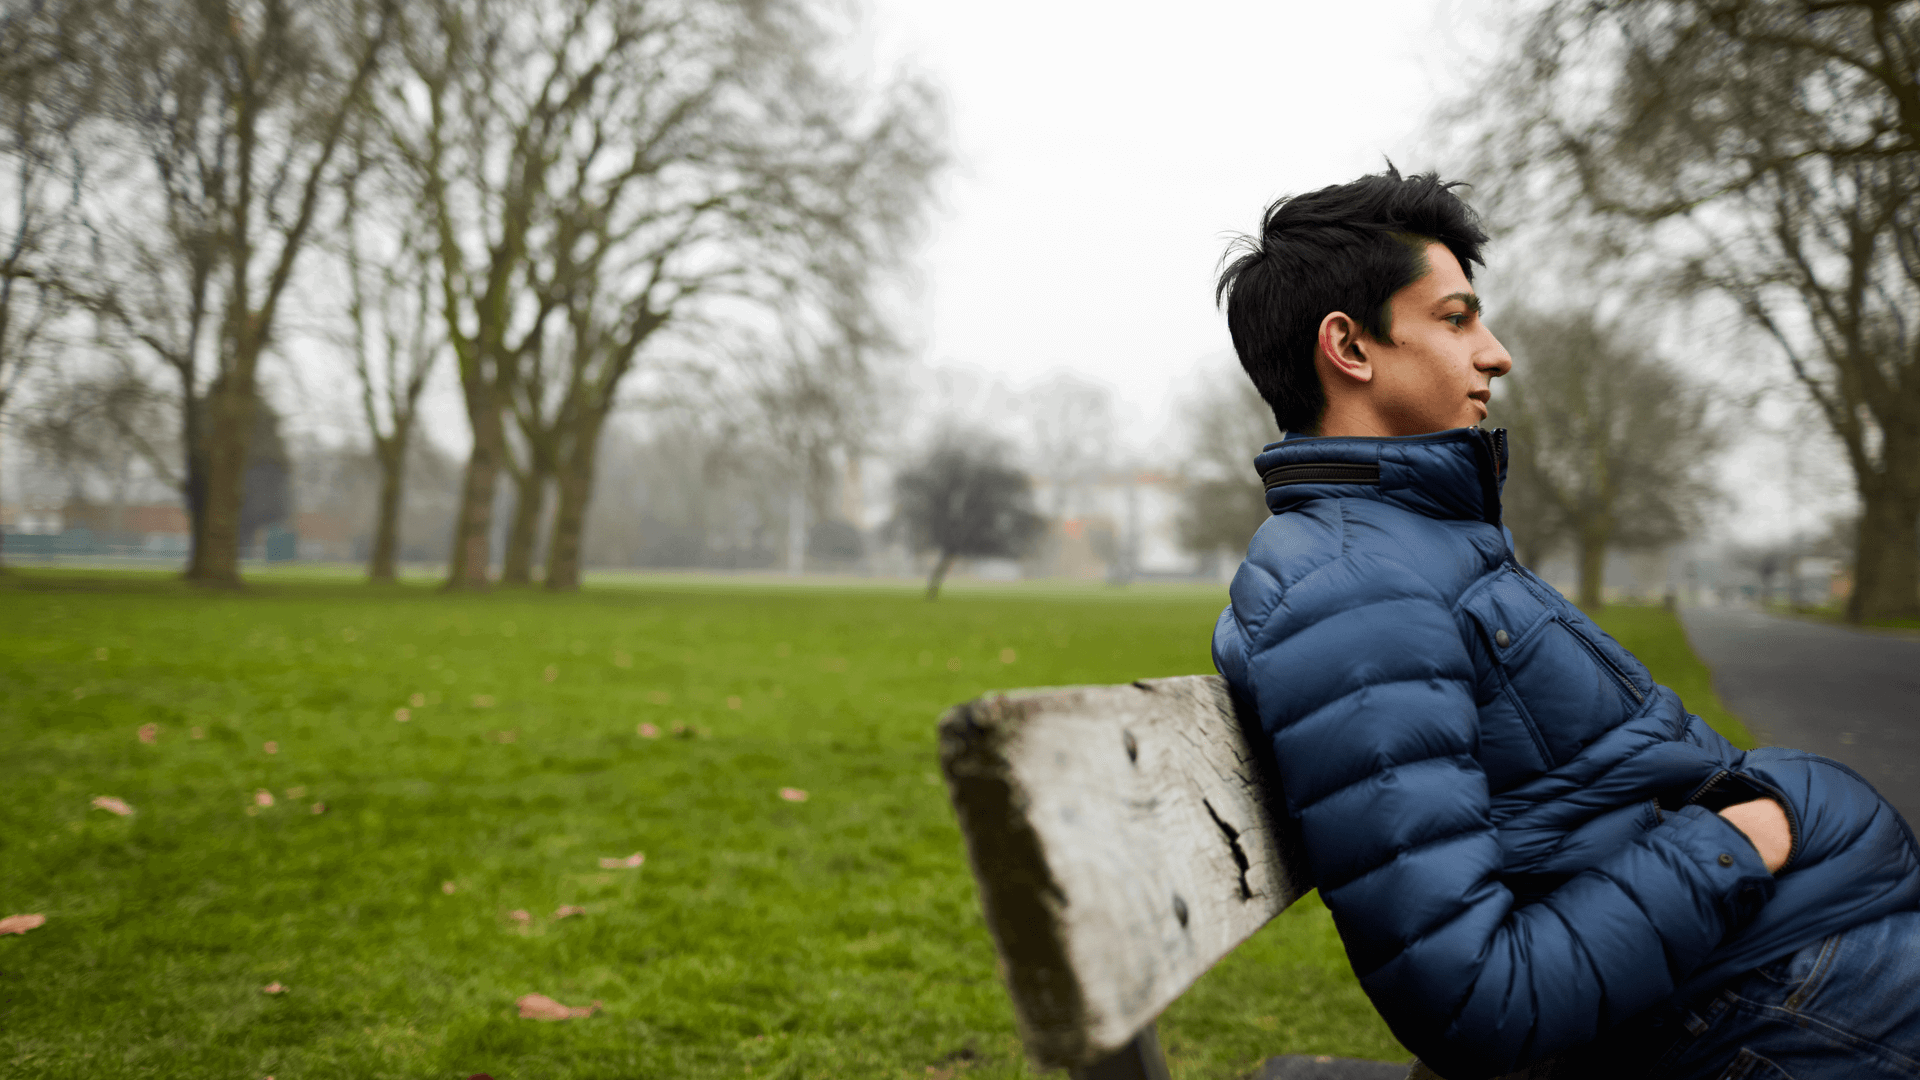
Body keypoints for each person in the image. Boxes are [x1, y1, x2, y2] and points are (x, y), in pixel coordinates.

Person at [1209, 167, 1920, 1080]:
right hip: (1728, 1007)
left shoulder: (1417, 546)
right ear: (1350, 347)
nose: (1496, 353)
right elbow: (1478, 995)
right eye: (1457, 318)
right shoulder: (1351, 590)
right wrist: (1741, 841)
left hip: (1757, 968)